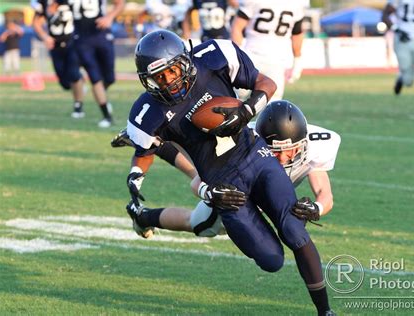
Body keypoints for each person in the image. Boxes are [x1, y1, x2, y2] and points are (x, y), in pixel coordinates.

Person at [123, 29, 334, 315]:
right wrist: (137, 174)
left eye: (171, 71)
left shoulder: (214, 56)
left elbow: (266, 83)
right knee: (270, 259)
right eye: (159, 77)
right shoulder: (148, 112)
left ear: (184, 61)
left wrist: (246, 111)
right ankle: (144, 216)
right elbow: (148, 154)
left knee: (294, 231)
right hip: (223, 186)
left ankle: (325, 311)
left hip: (255, 156)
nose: (168, 82)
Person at [113, 100, 341, 241]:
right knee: (198, 223)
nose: (282, 158)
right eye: (275, 151)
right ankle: (143, 215)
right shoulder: (246, 143)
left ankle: (155, 143)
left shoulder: (316, 146)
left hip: (260, 189)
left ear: (302, 142)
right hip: (236, 186)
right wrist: (211, 192)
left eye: (289, 150)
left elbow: (325, 194)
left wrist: (316, 208)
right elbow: (197, 183)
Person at [231, 0, 307, 101]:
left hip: (251, 55)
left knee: (237, 99)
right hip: (275, 60)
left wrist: (237, 55)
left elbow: (237, 27)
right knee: (272, 103)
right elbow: (297, 34)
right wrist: (298, 62)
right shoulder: (296, 4)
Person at [70, 0, 125, 128]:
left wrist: (109, 17)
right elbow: (51, 8)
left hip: (102, 36)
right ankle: (107, 115)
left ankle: (100, 92)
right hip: (82, 39)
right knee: (95, 77)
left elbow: (121, 3)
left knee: (110, 78)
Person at [32, 0, 85, 118]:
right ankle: (80, 82)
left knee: (73, 74)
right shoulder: (43, 3)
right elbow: (36, 23)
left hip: (72, 43)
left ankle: (78, 105)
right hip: (55, 45)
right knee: (65, 83)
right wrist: (45, 37)